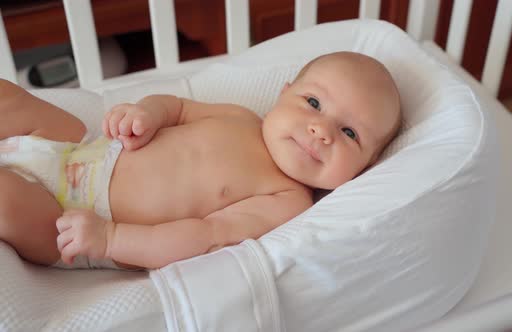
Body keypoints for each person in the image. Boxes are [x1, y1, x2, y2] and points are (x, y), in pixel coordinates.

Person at [0, 51, 402, 270]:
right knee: (10, 98)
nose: (321, 130)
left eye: (350, 134)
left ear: (362, 169)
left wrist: (111, 238)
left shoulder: (287, 199)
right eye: (313, 103)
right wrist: (146, 114)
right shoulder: (240, 117)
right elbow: (175, 108)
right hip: (86, 148)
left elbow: (205, 236)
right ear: (284, 93)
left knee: (5, 200)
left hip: (79, 220)